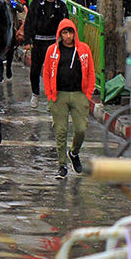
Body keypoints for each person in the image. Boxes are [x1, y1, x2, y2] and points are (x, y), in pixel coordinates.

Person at [43, 19, 96, 179]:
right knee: (61, 131)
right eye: (64, 33)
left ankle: (74, 152)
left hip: (79, 94)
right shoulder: (52, 51)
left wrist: (88, 94)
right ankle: (62, 165)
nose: (68, 36)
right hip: (58, 94)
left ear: (75, 33)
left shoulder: (84, 49)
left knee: (81, 129)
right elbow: (46, 73)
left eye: (70, 32)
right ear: (60, 34)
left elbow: (91, 71)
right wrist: (49, 94)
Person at [24, 0, 67, 101]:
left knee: (53, 70)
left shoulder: (61, 6)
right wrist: (27, 40)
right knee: (35, 70)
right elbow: (29, 21)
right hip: (38, 41)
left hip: (54, 42)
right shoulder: (37, 3)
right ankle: (35, 93)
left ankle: (52, 95)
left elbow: (65, 24)